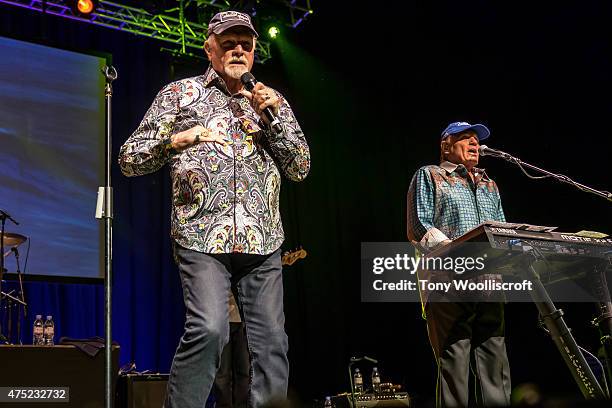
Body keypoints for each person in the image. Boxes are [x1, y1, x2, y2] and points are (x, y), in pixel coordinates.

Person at [119, 10, 310, 408]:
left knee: (272, 340)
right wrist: (175, 141)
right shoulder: (179, 95)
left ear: (255, 50)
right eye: (228, 42)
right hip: (200, 236)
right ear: (209, 47)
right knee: (208, 329)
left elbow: (300, 168)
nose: (238, 49)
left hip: (263, 241)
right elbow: (128, 158)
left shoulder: (272, 102)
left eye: (246, 43)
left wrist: (272, 118)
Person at [406, 122, 511, 407]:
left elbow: (502, 230)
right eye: (466, 138)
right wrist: (459, 257)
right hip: (448, 283)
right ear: (446, 145)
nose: (475, 144)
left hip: (490, 282)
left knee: (496, 366)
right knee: (455, 367)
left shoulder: (490, 184)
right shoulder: (430, 175)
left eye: (477, 140)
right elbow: (419, 227)